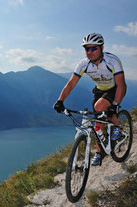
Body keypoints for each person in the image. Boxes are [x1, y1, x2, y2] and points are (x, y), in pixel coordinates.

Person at [53, 33, 126, 166]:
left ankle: (118, 126)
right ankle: (99, 153)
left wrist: (115, 104)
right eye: (87, 49)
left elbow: (121, 84)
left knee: (100, 108)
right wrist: (60, 101)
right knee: (97, 124)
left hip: (115, 89)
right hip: (99, 91)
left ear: (102, 47)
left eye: (94, 48)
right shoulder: (84, 64)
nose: (90, 52)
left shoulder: (112, 61)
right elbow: (71, 84)